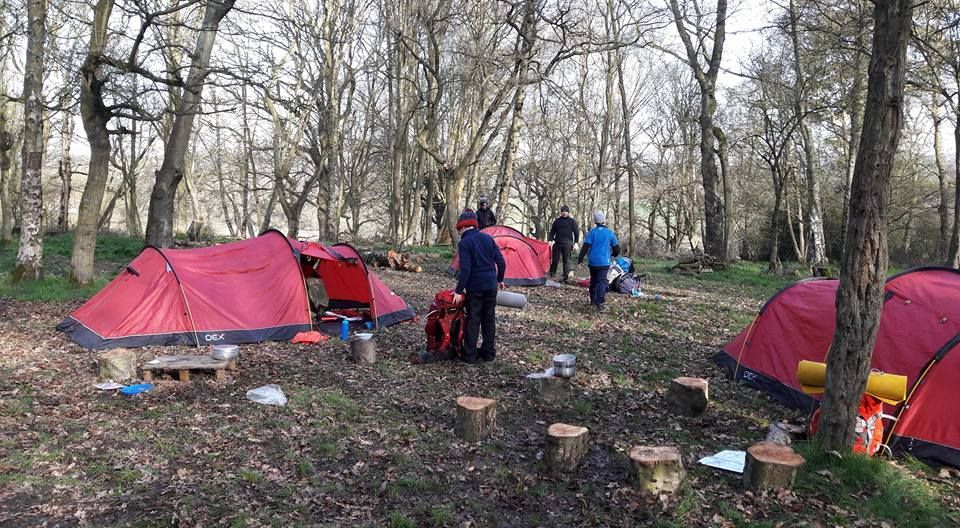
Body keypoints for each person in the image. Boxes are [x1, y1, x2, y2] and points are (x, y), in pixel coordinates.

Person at [453, 209, 506, 363]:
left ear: (462, 227)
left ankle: (469, 356)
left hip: (475, 288)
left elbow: (466, 270)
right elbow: (501, 262)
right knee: (489, 320)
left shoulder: (465, 243)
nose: (459, 232)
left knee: (473, 320)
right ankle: (488, 354)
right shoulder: (488, 238)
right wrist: (499, 279)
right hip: (490, 286)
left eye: (459, 230)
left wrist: (458, 290)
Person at [577, 211, 620, 312]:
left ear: (595, 221)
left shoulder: (592, 232)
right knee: (601, 282)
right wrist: (613, 255)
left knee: (593, 281)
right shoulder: (610, 233)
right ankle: (600, 303)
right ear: (604, 220)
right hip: (604, 262)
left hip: (593, 262)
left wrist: (580, 259)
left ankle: (592, 300)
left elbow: (585, 247)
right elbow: (617, 249)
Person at [548, 205, 579, 283]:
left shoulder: (572, 221)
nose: (564, 212)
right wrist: (550, 240)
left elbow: (576, 232)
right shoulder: (557, 221)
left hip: (567, 244)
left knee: (566, 261)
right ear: (561, 212)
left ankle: (566, 277)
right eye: (563, 211)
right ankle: (552, 274)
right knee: (555, 260)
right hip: (557, 243)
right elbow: (552, 231)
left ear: (568, 212)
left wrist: (576, 242)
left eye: (566, 211)